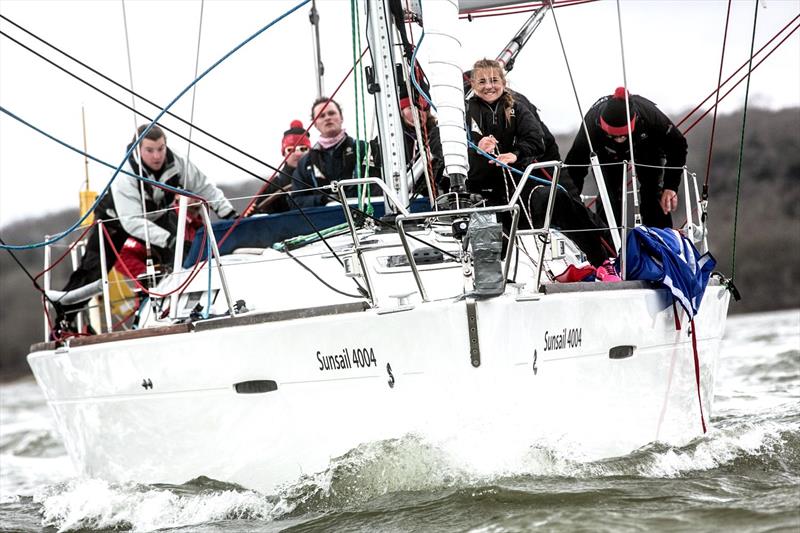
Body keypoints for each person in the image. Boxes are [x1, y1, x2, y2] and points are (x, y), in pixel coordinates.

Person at [52, 124, 236, 335]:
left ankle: (187, 308)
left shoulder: (178, 164)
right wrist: (169, 240)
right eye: (150, 150)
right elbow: (132, 222)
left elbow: (204, 187)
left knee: (186, 255)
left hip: (158, 215)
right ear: (138, 149)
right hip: (116, 220)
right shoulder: (125, 175)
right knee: (92, 270)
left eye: (161, 148)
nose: (157, 156)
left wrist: (229, 214)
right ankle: (64, 322)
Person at [465, 60, 618, 280]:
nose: (489, 86)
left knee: (559, 199)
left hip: (521, 185)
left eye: (494, 80)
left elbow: (537, 140)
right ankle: (491, 280)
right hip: (485, 191)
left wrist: (515, 154)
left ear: (503, 81)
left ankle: (602, 261)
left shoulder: (517, 107)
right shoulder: (465, 111)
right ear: (472, 84)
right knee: (489, 226)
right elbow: (445, 144)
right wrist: (478, 148)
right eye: (482, 81)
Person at [562, 87, 688, 229]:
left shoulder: (649, 115)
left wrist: (671, 186)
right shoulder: (592, 121)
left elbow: (678, 145)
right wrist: (569, 202)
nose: (619, 140)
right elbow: (575, 164)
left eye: (622, 135)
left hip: (646, 146)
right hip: (607, 153)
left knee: (652, 191)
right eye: (613, 136)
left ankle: (659, 239)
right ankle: (608, 244)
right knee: (608, 195)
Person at [292, 97, 375, 208]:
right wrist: (324, 199)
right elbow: (296, 200)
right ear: (315, 123)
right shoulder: (305, 162)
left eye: (331, 113)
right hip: (324, 221)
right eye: (321, 115)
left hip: (363, 217)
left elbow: (377, 187)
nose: (327, 118)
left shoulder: (363, 149)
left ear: (341, 118)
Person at [251, 120, 312, 214]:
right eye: (290, 149)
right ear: (284, 153)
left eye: (303, 148)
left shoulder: (320, 176)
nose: (298, 153)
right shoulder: (271, 186)